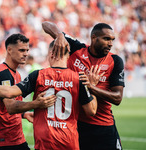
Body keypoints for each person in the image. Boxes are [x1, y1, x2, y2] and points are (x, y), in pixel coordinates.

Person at [0, 40, 98, 150]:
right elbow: (91, 110)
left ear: (51, 54)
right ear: (68, 55)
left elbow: (9, 92)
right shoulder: (79, 78)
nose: (26, 54)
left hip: (45, 141)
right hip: (69, 140)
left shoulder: (38, 75)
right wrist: (93, 87)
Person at [42, 21, 125, 150]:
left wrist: (91, 87)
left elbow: (117, 98)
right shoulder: (76, 48)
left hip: (104, 126)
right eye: (106, 39)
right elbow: (46, 24)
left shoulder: (115, 61)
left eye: (112, 40)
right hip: (76, 125)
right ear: (93, 38)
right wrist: (59, 36)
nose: (110, 43)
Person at [0, 33, 56, 150]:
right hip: (3, 139)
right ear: (9, 50)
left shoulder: (16, 74)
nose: (26, 54)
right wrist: (37, 104)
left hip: (13, 137)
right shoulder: (4, 74)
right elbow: (11, 107)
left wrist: (23, 114)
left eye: (27, 50)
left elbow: (6, 105)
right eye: (22, 50)